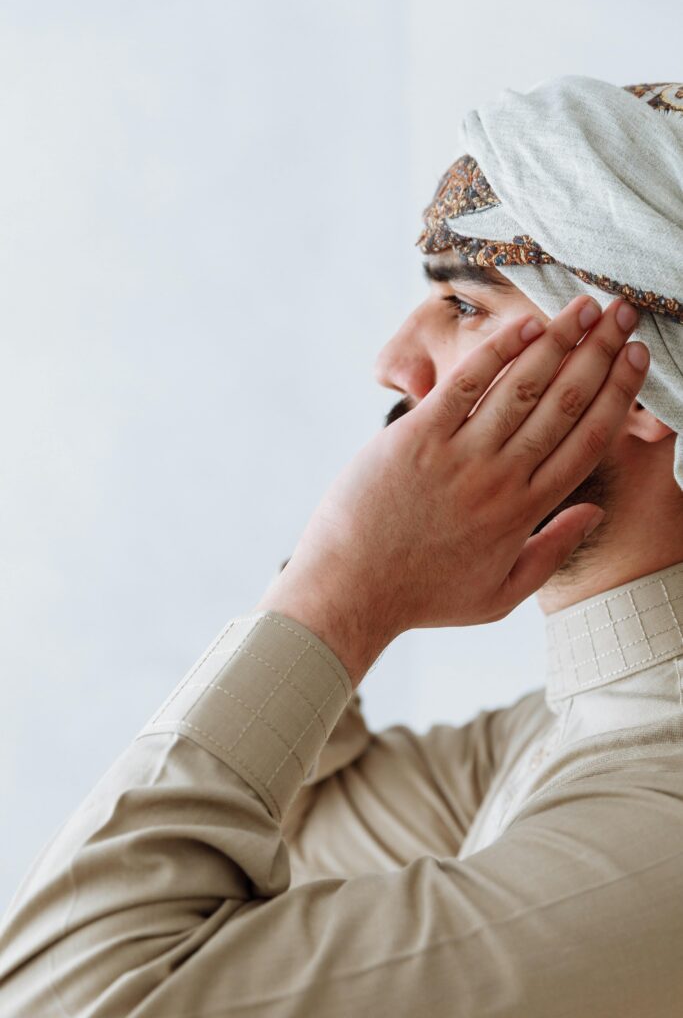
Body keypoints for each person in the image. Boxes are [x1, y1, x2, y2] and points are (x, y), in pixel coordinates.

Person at [1, 76, 683, 1018]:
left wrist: (342, 588)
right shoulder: (550, 737)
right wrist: (352, 559)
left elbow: (68, 998)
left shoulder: (654, 833)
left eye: (468, 306)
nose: (393, 358)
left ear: (644, 388)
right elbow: (302, 811)